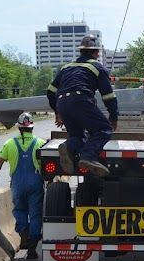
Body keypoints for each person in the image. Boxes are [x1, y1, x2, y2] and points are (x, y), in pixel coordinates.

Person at [47, 34, 117, 176]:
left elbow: (50, 91)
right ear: (96, 52)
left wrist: (57, 112)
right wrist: (113, 116)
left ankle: (68, 146)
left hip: (62, 102)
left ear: (81, 51)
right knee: (103, 130)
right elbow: (108, 96)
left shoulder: (66, 67)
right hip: (80, 100)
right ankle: (88, 157)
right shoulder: (97, 67)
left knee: (77, 135)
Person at [0, 112, 45, 259]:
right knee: (35, 214)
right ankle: (32, 245)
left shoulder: (9, 144)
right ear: (32, 128)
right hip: (35, 184)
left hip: (18, 185)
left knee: (20, 211)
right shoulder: (40, 143)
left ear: (19, 128)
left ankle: (24, 234)